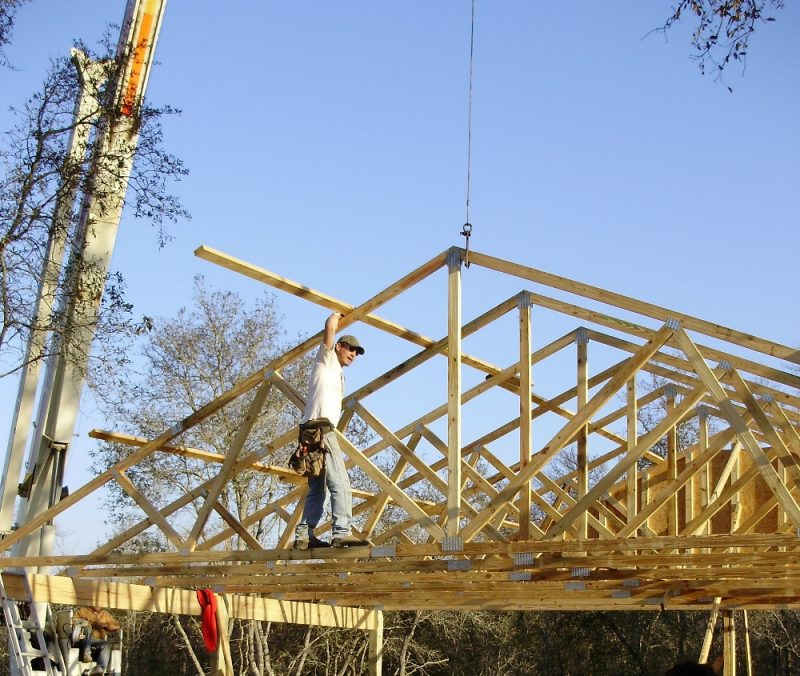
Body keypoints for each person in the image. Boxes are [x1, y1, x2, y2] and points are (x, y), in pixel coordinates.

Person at [293, 312, 370, 549]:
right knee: (341, 482)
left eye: (357, 352)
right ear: (338, 346)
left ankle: (304, 537)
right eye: (350, 348)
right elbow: (329, 330)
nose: (353, 354)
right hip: (322, 430)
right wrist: (336, 316)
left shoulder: (336, 372)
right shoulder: (326, 361)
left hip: (309, 432)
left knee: (317, 487)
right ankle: (342, 531)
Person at [73, 605, 120, 675]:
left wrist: (106, 625)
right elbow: (74, 621)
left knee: (106, 644)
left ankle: (100, 669)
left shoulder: (105, 614)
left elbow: (116, 625)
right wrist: (91, 623)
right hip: (83, 639)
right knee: (87, 627)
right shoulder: (83, 611)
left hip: (97, 641)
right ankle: (86, 654)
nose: (98, 605)